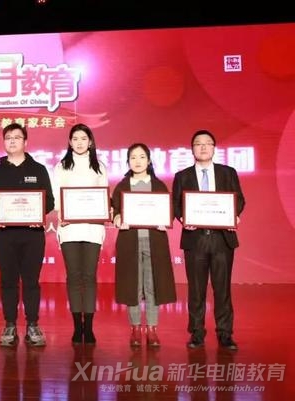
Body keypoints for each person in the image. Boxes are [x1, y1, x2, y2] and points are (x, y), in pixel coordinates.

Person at [172, 129, 245, 350]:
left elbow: (239, 199)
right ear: (192, 149)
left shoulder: (228, 172)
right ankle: (197, 333)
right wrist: (183, 218)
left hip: (222, 239)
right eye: (198, 143)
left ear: (214, 148)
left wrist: (234, 215)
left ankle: (225, 334)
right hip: (195, 239)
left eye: (207, 143)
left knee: (222, 289)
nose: (203, 147)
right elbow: (176, 204)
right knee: (196, 290)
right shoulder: (182, 176)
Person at [0, 123, 55, 347]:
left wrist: (35, 213)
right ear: (4, 142)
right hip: (6, 236)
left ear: (26, 142)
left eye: (17, 137)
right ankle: (10, 325)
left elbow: (50, 201)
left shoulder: (39, 169)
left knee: (31, 281)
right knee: (8, 281)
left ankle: (33, 324)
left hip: (33, 235)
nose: (12, 141)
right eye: (8, 137)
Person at [111, 143, 177, 347]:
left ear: (149, 161)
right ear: (128, 162)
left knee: (152, 286)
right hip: (129, 241)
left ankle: (152, 329)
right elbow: (114, 210)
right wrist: (117, 218)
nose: (137, 161)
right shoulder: (122, 186)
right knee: (132, 286)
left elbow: (168, 210)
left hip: (154, 241)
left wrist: (165, 219)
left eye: (141, 157)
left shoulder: (158, 185)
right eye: (133, 157)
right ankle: (135, 328)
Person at [52, 124, 108, 345]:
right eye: (75, 138)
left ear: (90, 141)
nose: (79, 142)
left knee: (89, 276)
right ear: (69, 142)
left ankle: (89, 327)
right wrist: (62, 213)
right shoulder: (61, 166)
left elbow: (104, 196)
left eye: (83, 138)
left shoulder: (99, 167)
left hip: (93, 228)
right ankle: (77, 326)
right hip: (70, 229)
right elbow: (56, 196)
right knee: (74, 276)